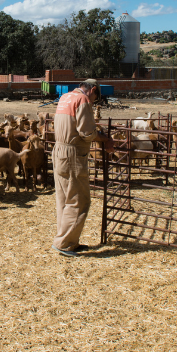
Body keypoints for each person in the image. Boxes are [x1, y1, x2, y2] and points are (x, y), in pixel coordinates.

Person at [51, 79, 113, 257]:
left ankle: (68, 241)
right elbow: (87, 133)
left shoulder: (65, 97)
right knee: (80, 200)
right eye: (96, 97)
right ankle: (64, 243)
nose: (94, 102)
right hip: (73, 153)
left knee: (64, 198)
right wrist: (104, 137)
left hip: (59, 150)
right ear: (92, 90)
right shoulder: (83, 100)